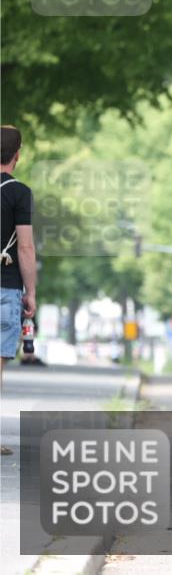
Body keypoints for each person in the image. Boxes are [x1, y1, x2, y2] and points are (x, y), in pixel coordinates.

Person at [1, 125, 38, 455]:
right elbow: (24, 247)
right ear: (17, 155)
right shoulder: (19, 193)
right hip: (5, 285)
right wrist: (31, 292)